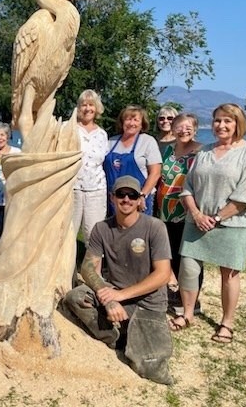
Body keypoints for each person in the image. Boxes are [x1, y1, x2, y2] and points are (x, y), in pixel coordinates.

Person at [63, 175, 173, 385]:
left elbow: (163, 274)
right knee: (75, 297)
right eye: (121, 194)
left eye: (132, 195)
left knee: (152, 370)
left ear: (140, 199)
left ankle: (130, 334)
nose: (126, 199)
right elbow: (87, 267)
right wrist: (109, 298)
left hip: (147, 303)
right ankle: (113, 337)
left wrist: (120, 295)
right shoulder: (101, 228)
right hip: (114, 294)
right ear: (112, 197)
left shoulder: (155, 227)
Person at [172, 104, 246, 344]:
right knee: (188, 269)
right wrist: (197, 214)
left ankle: (227, 323)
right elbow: (188, 186)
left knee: (229, 274)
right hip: (197, 220)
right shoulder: (204, 152)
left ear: (237, 124)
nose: (221, 125)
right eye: (217, 121)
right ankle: (188, 314)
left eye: (227, 121)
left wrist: (218, 217)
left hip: (232, 222)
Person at [156, 114, 203, 314]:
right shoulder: (168, 150)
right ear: (173, 130)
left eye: (188, 127)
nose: (183, 130)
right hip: (165, 210)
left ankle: (194, 300)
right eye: (179, 127)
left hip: (189, 210)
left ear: (195, 129)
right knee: (172, 252)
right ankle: (177, 294)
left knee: (190, 257)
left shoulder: (202, 152)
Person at [104, 105, 162, 216]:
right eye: (128, 119)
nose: (132, 123)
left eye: (136, 120)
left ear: (142, 124)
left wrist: (142, 195)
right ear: (122, 122)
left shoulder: (148, 141)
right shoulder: (111, 142)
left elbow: (155, 173)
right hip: (113, 200)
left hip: (137, 199)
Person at [72, 90, 108, 250]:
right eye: (84, 105)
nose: (87, 108)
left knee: (94, 236)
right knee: (67, 235)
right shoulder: (69, 129)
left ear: (97, 108)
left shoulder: (102, 134)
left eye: (91, 105)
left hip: (96, 191)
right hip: (71, 189)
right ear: (79, 108)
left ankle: (93, 272)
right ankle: (67, 273)